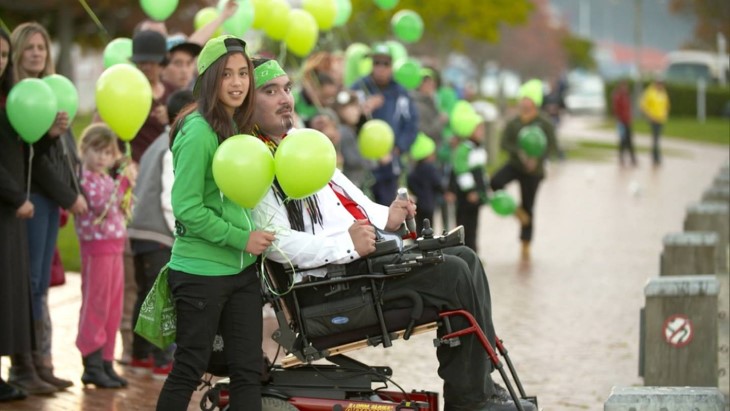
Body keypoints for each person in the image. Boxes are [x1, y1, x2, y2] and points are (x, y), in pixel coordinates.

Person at [250, 58, 536, 411]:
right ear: (248, 101)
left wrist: (388, 215)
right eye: (270, 90)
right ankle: (470, 399)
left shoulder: (298, 143)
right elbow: (277, 243)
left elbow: (351, 201)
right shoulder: (256, 161)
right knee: (453, 273)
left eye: (287, 88)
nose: (285, 98)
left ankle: (477, 381)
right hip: (329, 287)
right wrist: (346, 245)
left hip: (361, 265)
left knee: (466, 258)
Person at [156, 35, 275, 411]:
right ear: (210, 79)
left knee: (247, 371)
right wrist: (243, 239)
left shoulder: (237, 127)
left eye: (243, 74)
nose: (238, 82)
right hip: (200, 274)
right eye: (227, 75)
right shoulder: (197, 131)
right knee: (190, 369)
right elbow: (187, 208)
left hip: (241, 273)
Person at [8, 21, 87, 394]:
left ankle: (42, 362)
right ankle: (27, 364)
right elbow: (32, 159)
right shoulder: (16, 96)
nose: (37, 53)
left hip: (47, 200)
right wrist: (69, 196)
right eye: (30, 48)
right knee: (32, 284)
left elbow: (58, 153)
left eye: (42, 47)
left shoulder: (55, 93)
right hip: (30, 198)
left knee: (41, 286)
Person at [127, 90, 194, 378]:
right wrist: (181, 235)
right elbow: (171, 198)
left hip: (141, 229)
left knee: (146, 294)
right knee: (161, 298)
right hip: (158, 231)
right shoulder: (173, 145)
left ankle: (140, 355)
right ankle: (162, 358)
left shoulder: (159, 141)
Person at [74, 124, 134, 388]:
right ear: (84, 150)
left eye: (108, 153)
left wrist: (125, 187)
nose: (102, 158)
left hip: (115, 245)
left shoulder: (107, 179)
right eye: (96, 151)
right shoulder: (85, 179)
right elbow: (101, 204)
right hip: (96, 248)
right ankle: (92, 360)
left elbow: (124, 205)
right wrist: (122, 181)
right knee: (96, 304)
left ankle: (107, 360)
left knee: (113, 305)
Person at [490, 79, 558, 262]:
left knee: (529, 207)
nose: (524, 103)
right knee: (495, 181)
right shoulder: (514, 123)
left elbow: (552, 145)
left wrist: (537, 159)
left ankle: (525, 243)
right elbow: (505, 143)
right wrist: (519, 154)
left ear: (534, 102)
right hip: (515, 165)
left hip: (533, 171)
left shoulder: (544, 122)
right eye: (522, 99)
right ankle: (514, 209)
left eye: (528, 99)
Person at [0, 26, 33, 403]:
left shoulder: (11, 99)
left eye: (5, 55)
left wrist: (52, 134)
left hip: (9, 213)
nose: (1, 61)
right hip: (7, 202)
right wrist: (14, 195)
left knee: (7, 293)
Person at [351, 42, 419, 205]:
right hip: (363, 163)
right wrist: (364, 108)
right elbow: (346, 118)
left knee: (389, 211)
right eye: (376, 63)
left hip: (390, 163)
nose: (381, 67)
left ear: (391, 66)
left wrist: (398, 148)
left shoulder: (400, 93)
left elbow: (411, 124)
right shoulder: (358, 88)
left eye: (385, 63)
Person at [451, 114, 488, 252]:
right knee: (465, 226)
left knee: (473, 226)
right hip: (467, 197)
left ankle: (473, 253)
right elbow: (462, 171)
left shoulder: (476, 147)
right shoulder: (464, 149)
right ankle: (464, 253)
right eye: (479, 128)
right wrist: (470, 190)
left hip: (476, 196)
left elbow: (480, 170)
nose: (482, 132)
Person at [407, 133, 444, 235]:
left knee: (419, 228)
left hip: (418, 205)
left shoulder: (414, 170)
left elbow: (409, 183)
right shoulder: (430, 169)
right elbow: (438, 183)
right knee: (429, 228)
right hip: (429, 204)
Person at [639, 78, 670, 166]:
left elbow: (666, 105)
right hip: (653, 119)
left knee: (657, 138)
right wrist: (649, 116)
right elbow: (643, 106)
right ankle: (656, 157)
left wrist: (665, 113)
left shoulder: (663, 93)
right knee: (655, 138)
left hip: (661, 119)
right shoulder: (650, 93)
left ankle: (654, 155)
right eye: (660, 84)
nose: (661, 85)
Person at [612, 80, 637, 166]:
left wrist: (630, 118)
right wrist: (619, 120)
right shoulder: (618, 96)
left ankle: (633, 159)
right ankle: (621, 158)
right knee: (623, 140)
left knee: (629, 140)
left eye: (625, 86)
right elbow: (616, 110)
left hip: (627, 121)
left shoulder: (627, 96)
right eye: (623, 86)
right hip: (621, 122)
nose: (624, 88)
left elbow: (629, 108)